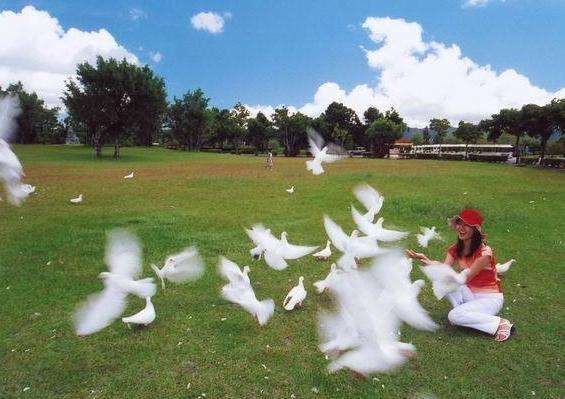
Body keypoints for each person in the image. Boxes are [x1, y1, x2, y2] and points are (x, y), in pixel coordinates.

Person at [407, 209, 515, 342]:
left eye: (466, 225)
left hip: (490, 299)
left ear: (475, 229)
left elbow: (465, 278)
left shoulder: (485, 253)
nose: (460, 228)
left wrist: (438, 270)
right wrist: (426, 260)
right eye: (459, 224)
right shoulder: (455, 249)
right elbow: (444, 269)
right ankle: (463, 313)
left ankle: (500, 324)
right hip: (471, 295)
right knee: (442, 281)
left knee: (453, 316)